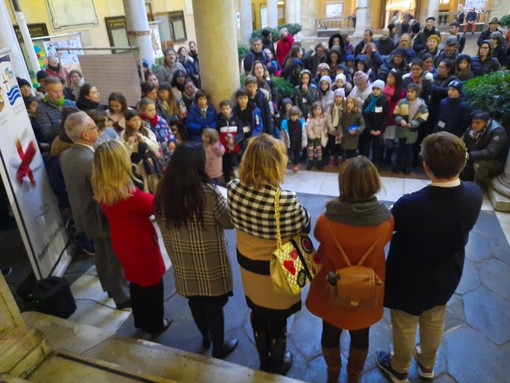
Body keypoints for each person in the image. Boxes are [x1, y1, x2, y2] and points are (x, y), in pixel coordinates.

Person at [377, 132, 483, 383]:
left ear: (425, 167)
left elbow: (386, 229)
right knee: (435, 319)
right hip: (446, 274)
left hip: (408, 277)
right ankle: (427, 366)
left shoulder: (411, 204)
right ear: (463, 163)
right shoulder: (474, 194)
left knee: (404, 324)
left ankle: (399, 369)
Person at [227, 134, 310, 374]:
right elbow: (304, 225)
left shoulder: (233, 188)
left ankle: (263, 360)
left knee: (257, 311)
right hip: (277, 270)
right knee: (277, 319)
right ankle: (277, 362)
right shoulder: (284, 199)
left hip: (248, 266)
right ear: (275, 164)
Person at [307, 155, 393, 383]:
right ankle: (354, 376)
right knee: (361, 334)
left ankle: (332, 372)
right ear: (374, 182)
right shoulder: (386, 220)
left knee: (330, 333)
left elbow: (317, 237)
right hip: (367, 288)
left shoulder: (327, 219)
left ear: (343, 182)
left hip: (332, 285)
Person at [156, 142, 238, 359]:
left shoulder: (163, 190)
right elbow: (229, 222)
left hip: (182, 259)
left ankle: (205, 337)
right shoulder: (208, 193)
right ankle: (219, 347)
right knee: (214, 306)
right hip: (209, 260)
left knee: (195, 301)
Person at [91, 140, 170, 334]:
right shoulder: (131, 196)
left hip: (121, 240)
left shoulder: (103, 191)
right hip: (140, 243)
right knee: (152, 285)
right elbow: (157, 205)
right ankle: (156, 323)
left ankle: (141, 320)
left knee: (136, 283)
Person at [60, 111, 130, 308]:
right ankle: (122, 296)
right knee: (114, 256)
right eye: (94, 127)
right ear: (85, 135)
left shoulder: (67, 153)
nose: (98, 129)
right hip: (100, 217)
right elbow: (103, 194)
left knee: (101, 252)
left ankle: (108, 286)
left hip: (83, 216)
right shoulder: (91, 160)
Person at [461, 111, 509, 190]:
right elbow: (462, 140)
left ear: (486, 122)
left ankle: (478, 189)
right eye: (473, 122)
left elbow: (490, 152)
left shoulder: (497, 131)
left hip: (495, 162)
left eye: (478, 123)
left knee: (479, 165)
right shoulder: (473, 128)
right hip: (478, 154)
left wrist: (469, 155)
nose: (474, 125)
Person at [394, 83, 429, 174]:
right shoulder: (402, 102)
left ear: (417, 93)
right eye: (408, 91)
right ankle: (398, 165)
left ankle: (407, 167)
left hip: (412, 131)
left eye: (412, 92)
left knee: (409, 150)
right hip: (402, 130)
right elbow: (396, 114)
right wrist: (400, 120)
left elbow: (424, 116)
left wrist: (413, 123)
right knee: (400, 149)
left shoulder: (421, 105)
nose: (409, 93)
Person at [122, 110, 161, 193]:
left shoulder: (147, 131)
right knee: (141, 188)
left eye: (139, 120)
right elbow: (123, 154)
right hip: (134, 165)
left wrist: (144, 139)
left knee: (154, 186)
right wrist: (129, 143)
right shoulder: (123, 134)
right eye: (134, 120)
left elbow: (155, 147)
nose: (137, 123)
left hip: (149, 162)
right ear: (127, 122)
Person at [35, 77, 76, 150]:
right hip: (60, 146)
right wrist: (62, 122)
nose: (59, 95)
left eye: (60, 91)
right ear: (46, 91)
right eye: (55, 91)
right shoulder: (41, 109)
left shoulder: (69, 103)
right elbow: (46, 134)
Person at [361, 79, 389, 166]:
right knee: (366, 146)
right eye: (374, 89)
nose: (375, 91)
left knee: (376, 147)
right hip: (369, 128)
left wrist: (380, 130)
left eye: (378, 89)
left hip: (378, 129)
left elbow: (386, 116)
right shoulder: (368, 99)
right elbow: (365, 114)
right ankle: (365, 163)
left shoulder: (384, 101)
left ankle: (376, 162)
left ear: (382, 90)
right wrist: (370, 129)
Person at [216, 99, 244, 182]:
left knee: (234, 164)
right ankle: (227, 182)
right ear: (221, 110)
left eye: (227, 108)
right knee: (225, 166)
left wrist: (234, 139)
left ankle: (238, 181)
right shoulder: (219, 121)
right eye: (223, 109)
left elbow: (241, 133)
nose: (225, 111)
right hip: (223, 149)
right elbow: (216, 134)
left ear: (231, 109)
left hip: (234, 148)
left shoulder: (237, 120)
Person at [281, 105, 307, 172]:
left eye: (295, 115)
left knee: (296, 154)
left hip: (298, 142)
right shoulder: (285, 123)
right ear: (289, 115)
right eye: (292, 115)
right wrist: (283, 142)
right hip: (289, 142)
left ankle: (295, 164)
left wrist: (304, 142)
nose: (294, 117)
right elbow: (283, 134)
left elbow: (304, 133)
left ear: (298, 115)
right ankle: (285, 165)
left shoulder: (301, 123)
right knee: (288, 154)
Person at [306, 102, 331, 170]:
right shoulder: (310, 119)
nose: (317, 111)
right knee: (310, 148)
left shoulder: (324, 117)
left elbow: (326, 126)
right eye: (315, 110)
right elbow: (309, 129)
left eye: (319, 109)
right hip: (313, 136)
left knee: (319, 149)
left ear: (322, 109)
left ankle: (319, 161)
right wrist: (312, 136)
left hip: (320, 136)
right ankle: (310, 161)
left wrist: (325, 132)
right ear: (312, 111)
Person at [341, 96, 365, 160]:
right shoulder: (343, 113)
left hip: (353, 137)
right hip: (344, 137)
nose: (349, 105)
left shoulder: (358, 114)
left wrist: (356, 130)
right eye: (347, 103)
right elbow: (340, 123)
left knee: (351, 154)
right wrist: (340, 132)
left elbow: (363, 125)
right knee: (345, 154)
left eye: (351, 103)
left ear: (354, 104)